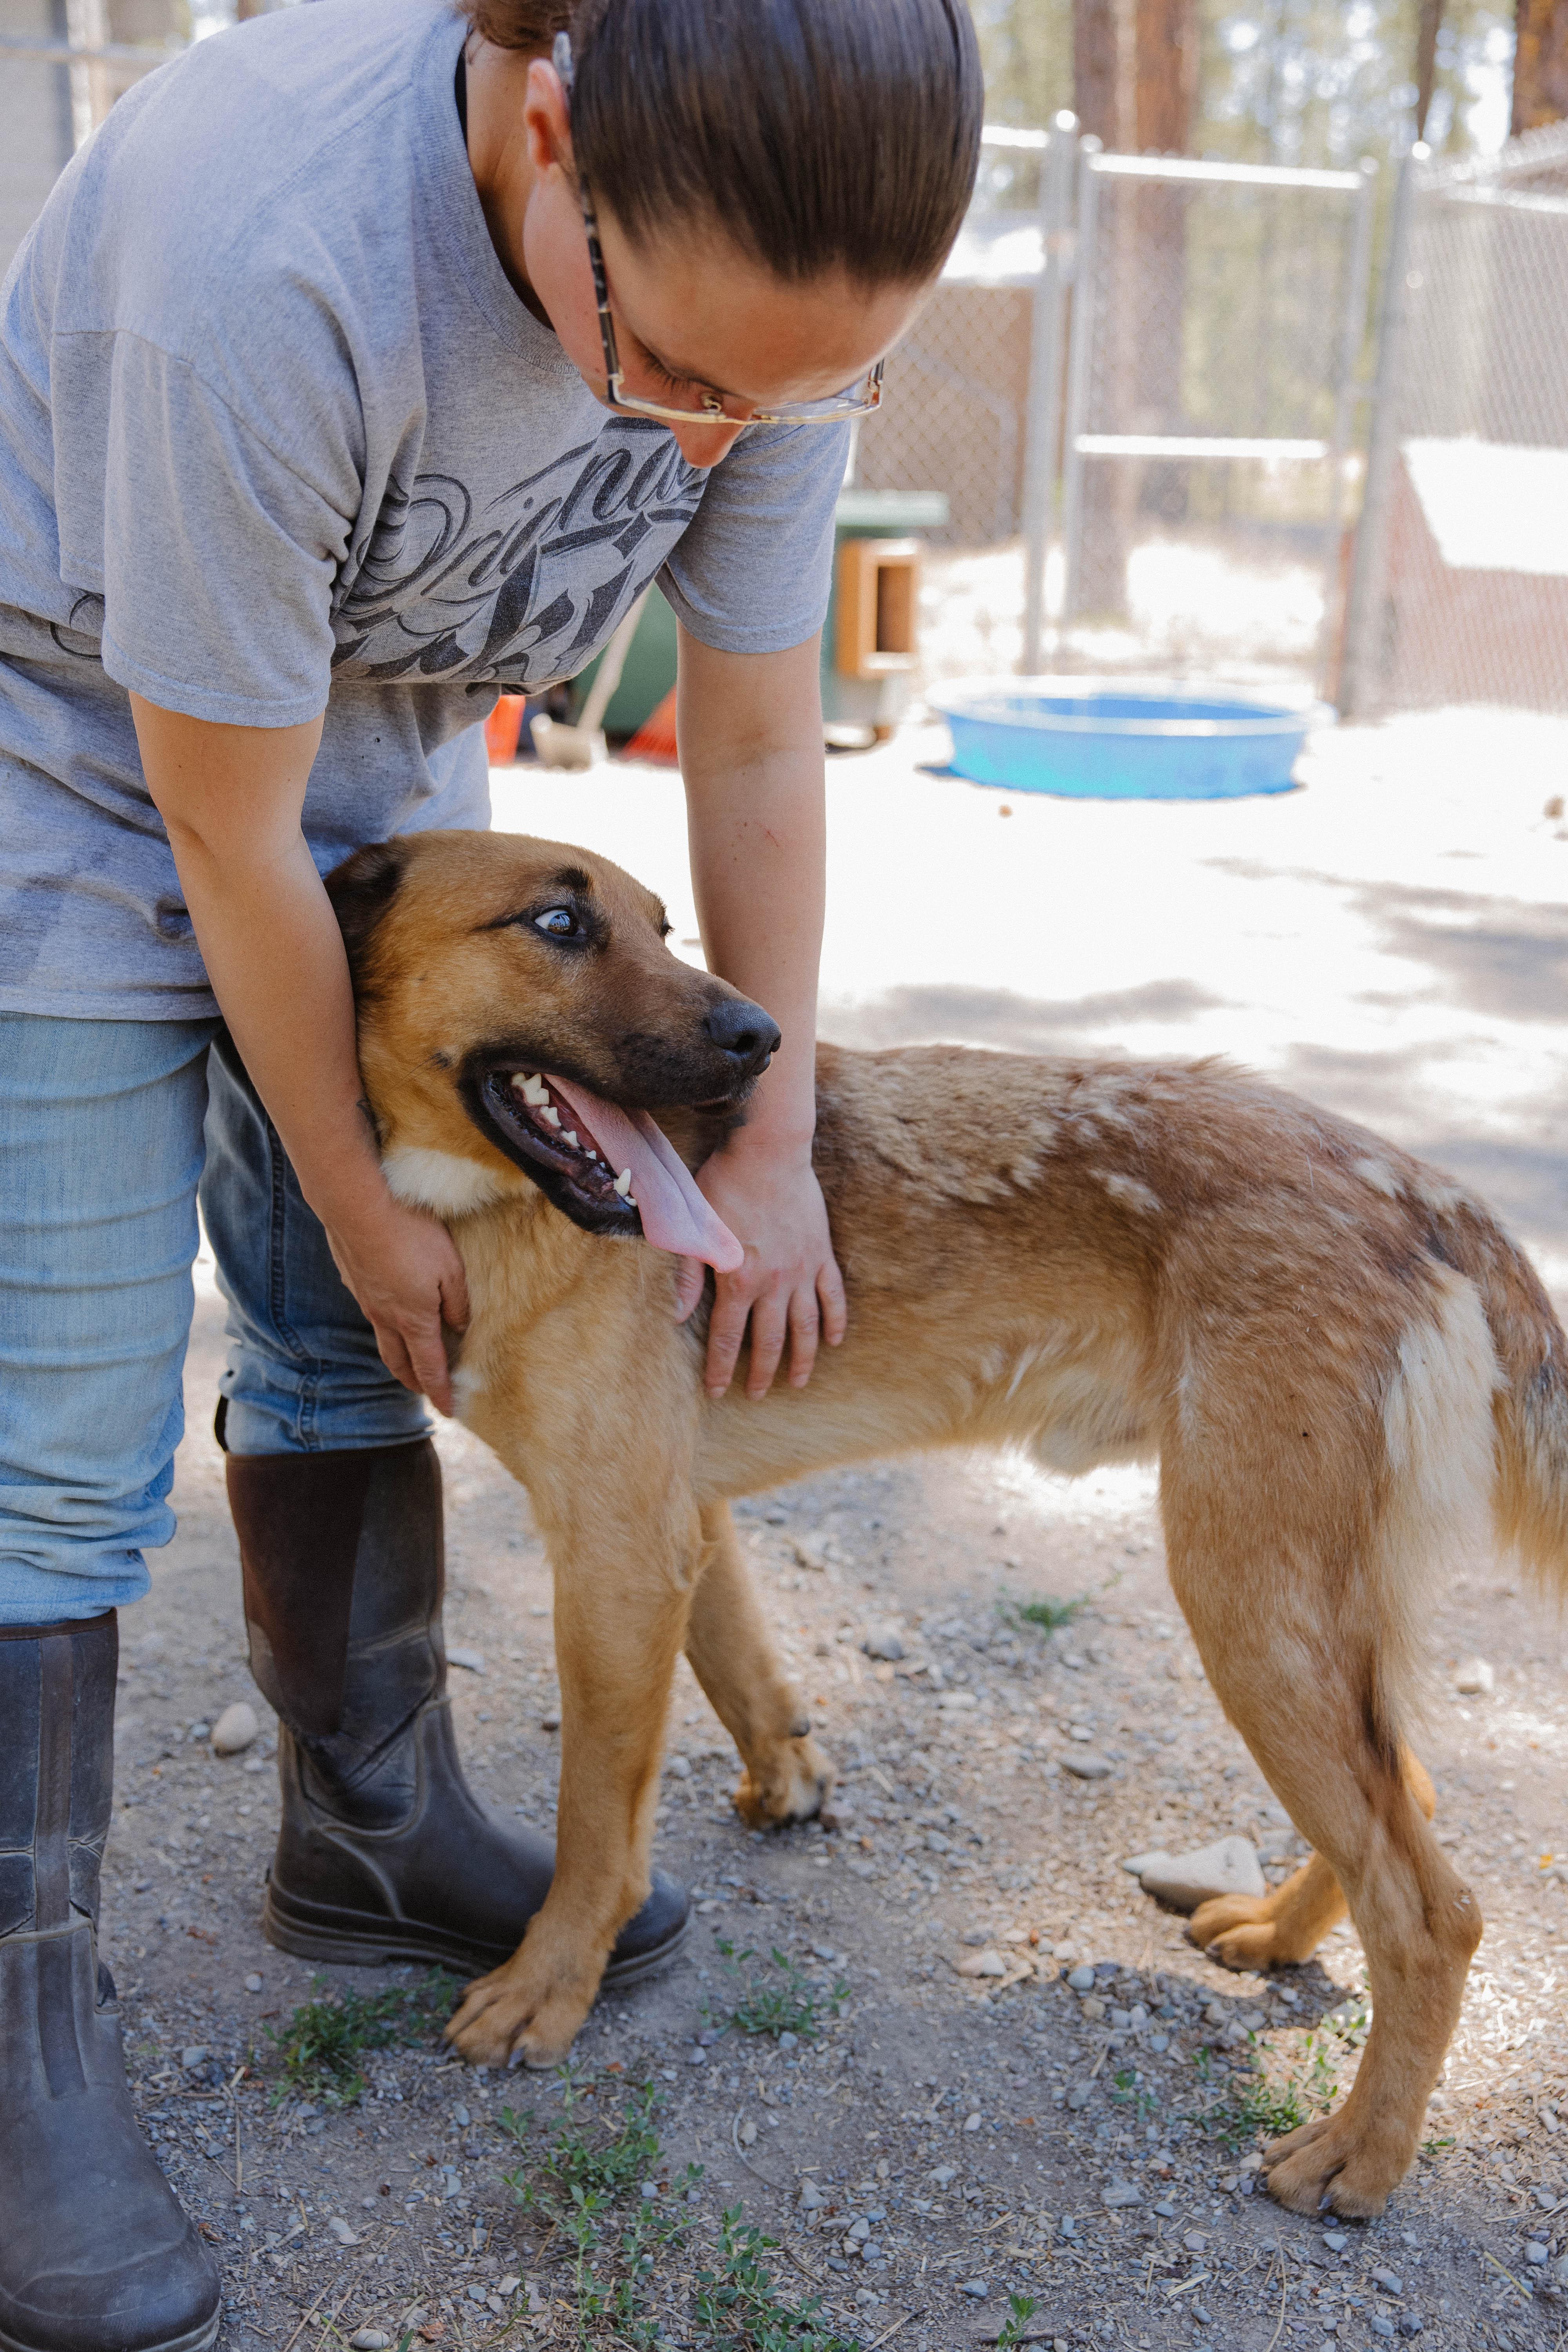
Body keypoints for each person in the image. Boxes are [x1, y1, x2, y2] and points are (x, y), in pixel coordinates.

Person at [0, 0, 982, 2340]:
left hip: (383, 780)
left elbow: (752, 729)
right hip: (73, 779)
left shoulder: (767, 300)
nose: (715, 445)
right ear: (552, 134)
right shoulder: (269, 255)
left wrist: (774, 1142)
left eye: (785, 403)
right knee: (59, 1442)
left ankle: (362, 1829)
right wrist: (343, 1192)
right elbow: (228, 841)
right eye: (676, 385)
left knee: (364, 1363)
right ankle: (20, 2031)